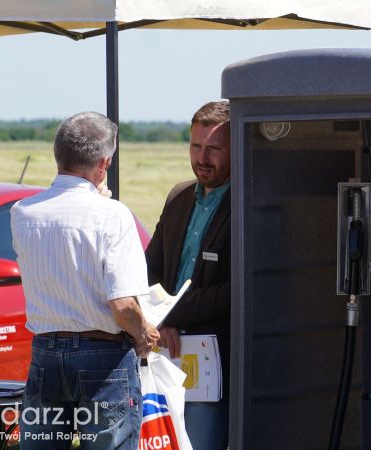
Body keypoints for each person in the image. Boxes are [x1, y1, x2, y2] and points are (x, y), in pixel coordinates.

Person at [11, 112, 159, 450]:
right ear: (104, 163)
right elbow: (122, 305)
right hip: (104, 354)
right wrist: (143, 332)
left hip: (46, 351)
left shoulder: (22, 212)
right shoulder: (113, 215)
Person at [145, 101, 231, 450]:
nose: (202, 157)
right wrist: (159, 321)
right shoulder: (179, 196)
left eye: (213, 148)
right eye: (196, 146)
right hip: (165, 353)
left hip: (217, 362)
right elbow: (148, 270)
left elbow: (236, 290)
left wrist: (168, 313)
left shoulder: (248, 201)